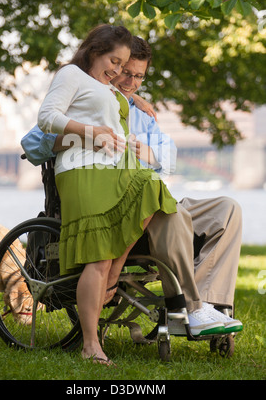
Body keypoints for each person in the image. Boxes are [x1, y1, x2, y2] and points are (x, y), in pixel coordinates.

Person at [23, 34, 242, 340]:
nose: (129, 82)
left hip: (154, 197)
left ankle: (212, 306)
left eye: (139, 76)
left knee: (227, 209)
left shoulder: (142, 115)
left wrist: (149, 154)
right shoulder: (85, 101)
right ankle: (187, 308)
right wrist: (88, 136)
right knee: (166, 207)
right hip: (121, 205)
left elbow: (170, 157)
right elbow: (33, 143)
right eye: (125, 72)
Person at [36, 24, 188, 367]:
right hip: (82, 171)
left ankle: (117, 268)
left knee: (153, 188)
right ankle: (91, 344)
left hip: (115, 171)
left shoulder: (109, 87)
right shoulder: (71, 75)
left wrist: (135, 97)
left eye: (123, 66)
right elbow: (47, 117)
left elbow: (115, 97)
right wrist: (91, 133)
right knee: (98, 258)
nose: (118, 71)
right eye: (113, 61)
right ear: (94, 52)